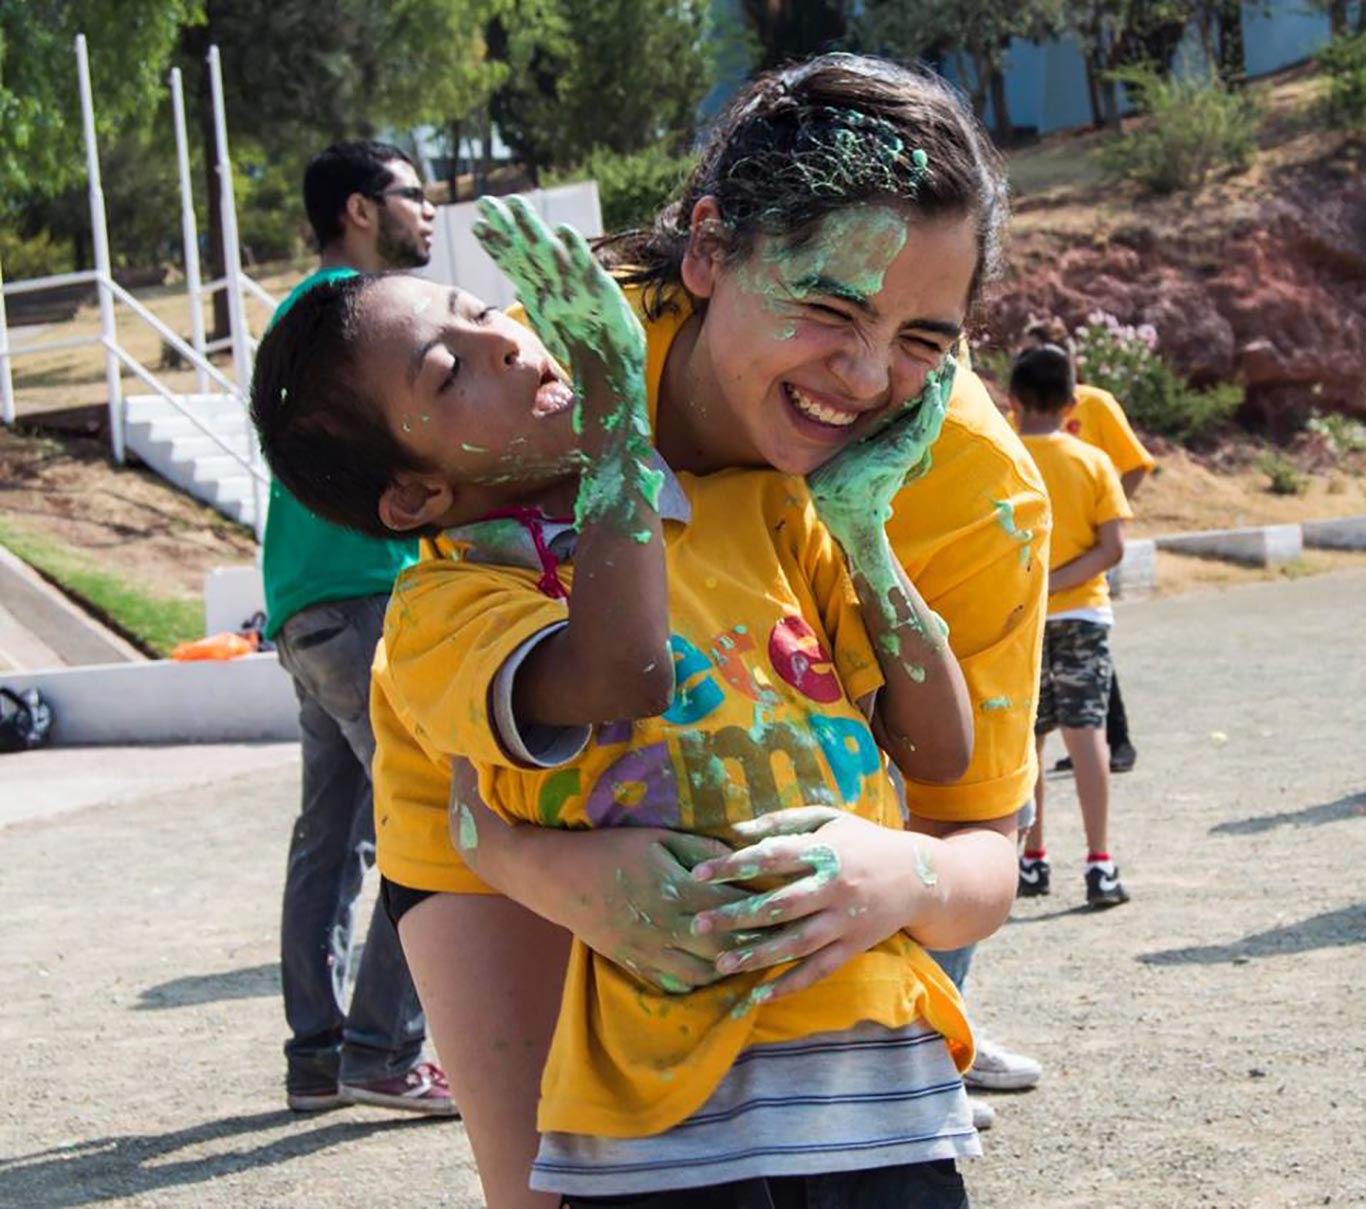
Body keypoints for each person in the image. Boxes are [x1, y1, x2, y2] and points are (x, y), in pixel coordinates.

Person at [265, 56, 1048, 1208]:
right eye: (826, 306)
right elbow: (449, 751)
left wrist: (905, 870)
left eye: (926, 337)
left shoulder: (968, 489)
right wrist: (534, 865)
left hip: (845, 940)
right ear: (707, 248)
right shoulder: (546, 371)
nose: (869, 374)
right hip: (511, 801)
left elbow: (977, 832)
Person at [262, 139, 454, 1114]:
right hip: (366, 598)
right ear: (357, 210)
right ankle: (384, 1050)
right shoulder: (350, 313)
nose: (429, 210)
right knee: (443, 821)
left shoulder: (305, 315)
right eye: (411, 194)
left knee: (330, 840)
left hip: (308, 606)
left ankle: (321, 1056)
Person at [1010, 344, 1132, 908]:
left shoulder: (1002, 456)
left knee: (1028, 739)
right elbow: (1112, 548)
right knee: (1088, 736)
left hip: (1020, 618)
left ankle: (1032, 860)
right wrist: (1062, 582)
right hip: (1083, 612)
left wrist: (1037, 585)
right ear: (1070, 400)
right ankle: (1100, 862)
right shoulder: (1091, 461)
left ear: (1012, 400)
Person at [1021, 317, 1154, 773]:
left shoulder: (1096, 405)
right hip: (1040, 564)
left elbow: (1136, 463)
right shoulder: (1017, 427)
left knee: (1088, 657)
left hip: (1082, 556)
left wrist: (1109, 510)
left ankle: (1118, 741)